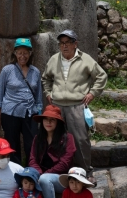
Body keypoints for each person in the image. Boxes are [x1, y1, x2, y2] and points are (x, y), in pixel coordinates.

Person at [42, 29, 107, 185]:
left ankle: (86, 171)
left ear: (75, 44)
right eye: (61, 43)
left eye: (67, 43)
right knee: (57, 139)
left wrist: (92, 94)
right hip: (57, 106)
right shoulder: (54, 59)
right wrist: (48, 93)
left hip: (77, 105)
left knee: (81, 140)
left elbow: (101, 76)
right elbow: (46, 78)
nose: (64, 46)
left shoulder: (85, 59)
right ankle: (60, 170)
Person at [0, 38, 43, 166]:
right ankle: (16, 173)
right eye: (20, 52)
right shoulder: (7, 70)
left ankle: (30, 173)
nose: (23, 56)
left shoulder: (35, 72)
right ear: (15, 53)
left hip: (30, 113)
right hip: (10, 113)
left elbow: (38, 95)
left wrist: (39, 111)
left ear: (30, 54)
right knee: (12, 144)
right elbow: (0, 92)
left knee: (32, 144)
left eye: (25, 52)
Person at [29, 105, 76, 198]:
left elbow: (65, 163)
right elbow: (32, 160)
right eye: (46, 119)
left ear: (58, 122)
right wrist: (38, 174)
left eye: (52, 120)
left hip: (61, 178)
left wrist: (44, 175)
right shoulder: (37, 139)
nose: (48, 122)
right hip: (41, 176)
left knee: (45, 179)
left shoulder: (68, 138)